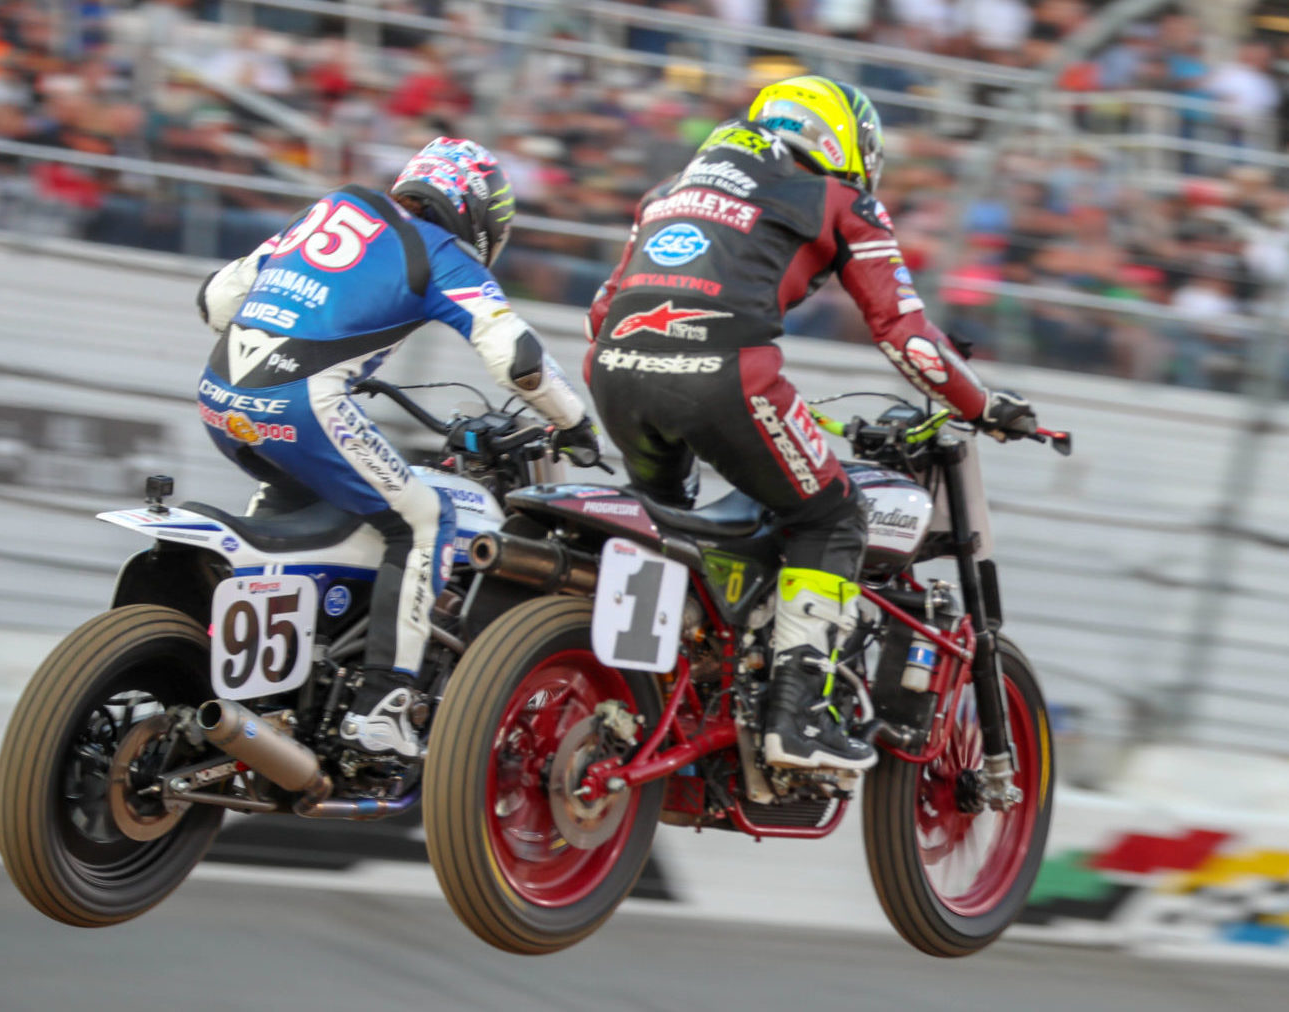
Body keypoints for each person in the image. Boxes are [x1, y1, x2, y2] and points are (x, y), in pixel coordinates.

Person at [583, 76, 1038, 771]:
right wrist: (986, 406)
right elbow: (908, 336)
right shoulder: (838, 197)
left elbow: (601, 307)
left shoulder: (671, 190)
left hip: (613, 371)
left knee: (663, 522)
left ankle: (654, 686)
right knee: (832, 516)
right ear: (840, 138)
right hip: (729, 373)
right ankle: (797, 716)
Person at [196, 137, 599, 759]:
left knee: (293, 511)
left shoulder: (331, 209)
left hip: (220, 400)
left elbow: (215, 300)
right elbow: (518, 360)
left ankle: (269, 678)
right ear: (478, 213)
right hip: (306, 408)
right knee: (422, 519)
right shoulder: (442, 253)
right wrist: (574, 422)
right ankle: (381, 707)